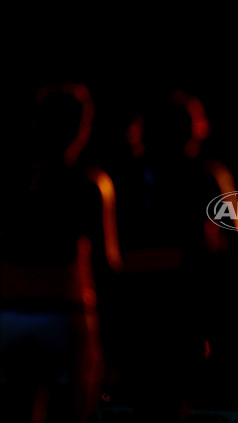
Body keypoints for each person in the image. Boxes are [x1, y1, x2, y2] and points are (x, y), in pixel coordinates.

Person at [0, 82, 123, 423]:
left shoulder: (10, 179)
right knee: (70, 411)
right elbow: (106, 266)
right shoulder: (89, 183)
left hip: (9, 314)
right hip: (64, 314)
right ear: (81, 127)